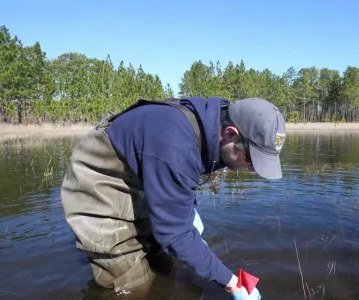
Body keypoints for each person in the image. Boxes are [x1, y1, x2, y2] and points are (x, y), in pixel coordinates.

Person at [60, 96, 286, 299]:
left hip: (145, 168)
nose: (254, 169)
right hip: (102, 176)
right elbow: (175, 234)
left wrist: (187, 213)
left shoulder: (217, 121)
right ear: (230, 133)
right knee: (132, 284)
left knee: (163, 257)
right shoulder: (175, 143)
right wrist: (232, 285)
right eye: (251, 158)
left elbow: (180, 178)